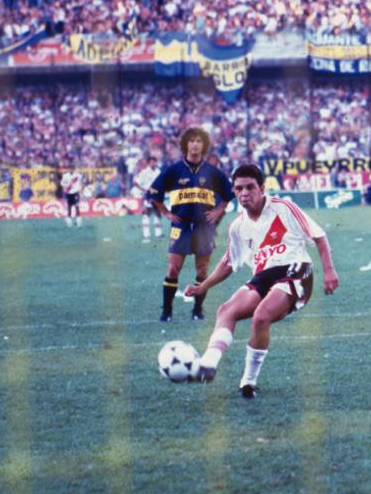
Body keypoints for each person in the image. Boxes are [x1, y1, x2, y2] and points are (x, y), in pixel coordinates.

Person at [185, 163, 338, 398]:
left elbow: (319, 236)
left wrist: (329, 271)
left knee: (261, 315)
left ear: (262, 188)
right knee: (226, 310)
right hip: (264, 276)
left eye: (250, 187)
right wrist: (203, 286)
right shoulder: (238, 226)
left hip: (295, 270)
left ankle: (248, 381)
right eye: (239, 189)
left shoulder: (283, 207)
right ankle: (208, 364)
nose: (244, 193)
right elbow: (228, 262)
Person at [147, 127, 234, 322]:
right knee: (173, 269)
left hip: (205, 227)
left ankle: (197, 310)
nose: (195, 144)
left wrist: (219, 210)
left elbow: (229, 195)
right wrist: (166, 213)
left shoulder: (213, 172)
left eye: (199, 141)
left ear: (204, 145)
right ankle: (167, 312)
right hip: (181, 225)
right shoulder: (173, 170)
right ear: (186, 144)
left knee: (202, 270)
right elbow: (154, 193)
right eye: (192, 141)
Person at [132, 156, 164, 242]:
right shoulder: (144, 172)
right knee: (147, 213)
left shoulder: (159, 172)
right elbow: (135, 182)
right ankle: (146, 234)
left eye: (154, 162)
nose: (153, 163)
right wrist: (143, 189)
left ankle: (158, 233)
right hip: (148, 195)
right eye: (151, 162)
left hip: (157, 195)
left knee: (158, 213)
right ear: (148, 163)